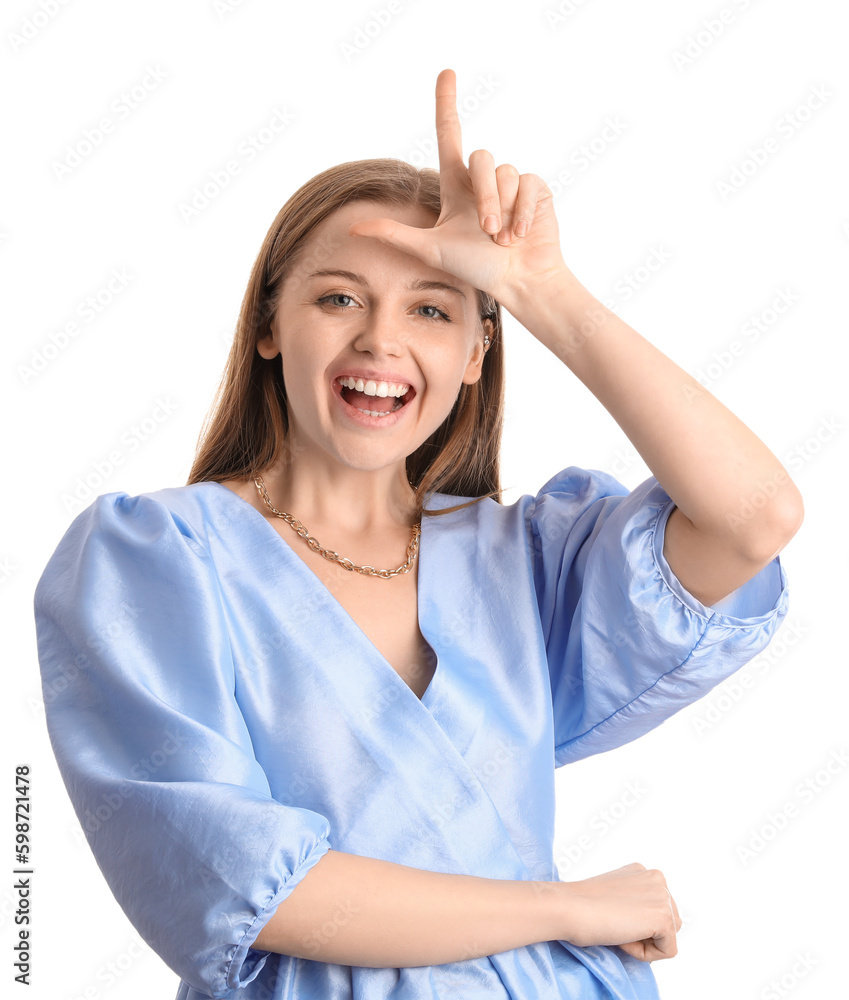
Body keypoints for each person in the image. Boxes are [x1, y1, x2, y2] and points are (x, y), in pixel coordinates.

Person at [33, 68, 802, 999]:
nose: (380, 342)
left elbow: (753, 515)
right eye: (338, 298)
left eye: (432, 309)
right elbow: (256, 891)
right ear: (271, 323)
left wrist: (538, 286)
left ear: (476, 352)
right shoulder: (155, 560)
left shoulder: (522, 563)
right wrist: (567, 909)